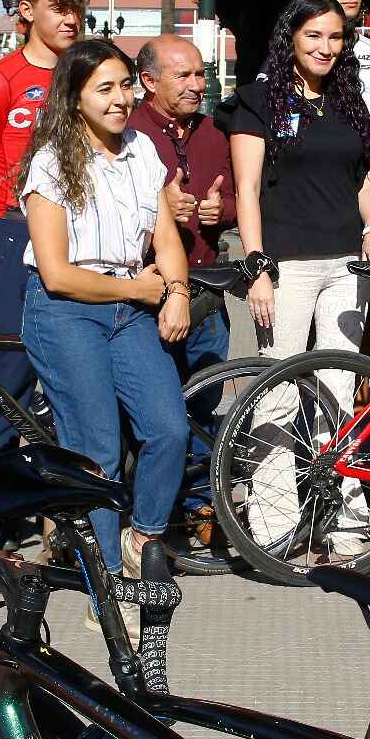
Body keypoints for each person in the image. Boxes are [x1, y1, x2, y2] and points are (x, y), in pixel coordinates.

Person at [19, 39, 191, 642]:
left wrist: (176, 291)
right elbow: (56, 273)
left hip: (131, 304)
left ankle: (140, 540)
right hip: (68, 311)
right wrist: (139, 294)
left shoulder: (143, 149)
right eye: (106, 89)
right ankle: (106, 579)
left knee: (169, 428)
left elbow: (165, 234)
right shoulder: (50, 165)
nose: (122, 100)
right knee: (96, 450)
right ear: (75, 98)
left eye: (126, 85)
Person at [229, 0, 370, 554]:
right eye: (313, 36)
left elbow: (366, 181)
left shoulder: (350, 104)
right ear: (290, 38)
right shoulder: (256, 101)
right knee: (276, 393)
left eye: (335, 37)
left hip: (347, 264)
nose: (326, 47)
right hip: (287, 265)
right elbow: (247, 191)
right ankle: (275, 523)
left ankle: (344, 516)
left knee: (339, 391)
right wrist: (257, 267)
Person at [0, 0, 91, 459]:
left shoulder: (83, 75)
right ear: (26, 10)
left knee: (73, 368)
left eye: (76, 6)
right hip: (15, 231)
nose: (70, 17)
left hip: (80, 236)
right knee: (10, 371)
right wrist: (8, 229)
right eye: (57, 5)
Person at [129, 34, 236, 537]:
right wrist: (158, 210)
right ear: (148, 81)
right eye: (185, 76)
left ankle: (199, 506)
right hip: (146, 296)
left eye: (201, 74)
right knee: (151, 413)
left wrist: (222, 211)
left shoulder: (217, 132)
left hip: (206, 295)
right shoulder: (126, 132)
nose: (198, 85)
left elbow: (240, 196)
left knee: (203, 408)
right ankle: (147, 512)